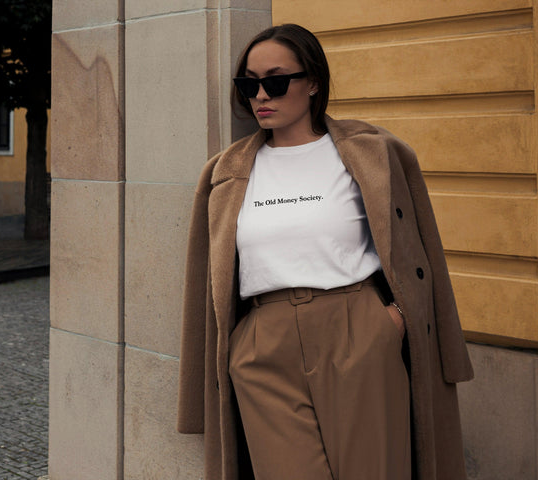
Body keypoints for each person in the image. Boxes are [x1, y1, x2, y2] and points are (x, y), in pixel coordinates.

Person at [177, 23, 474, 480]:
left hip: (357, 329)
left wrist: (388, 320)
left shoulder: (372, 153)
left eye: (275, 80)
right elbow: (205, 283)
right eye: (248, 84)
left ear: (313, 82)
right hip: (262, 345)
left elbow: (421, 253)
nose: (261, 95)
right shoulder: (226, 173)